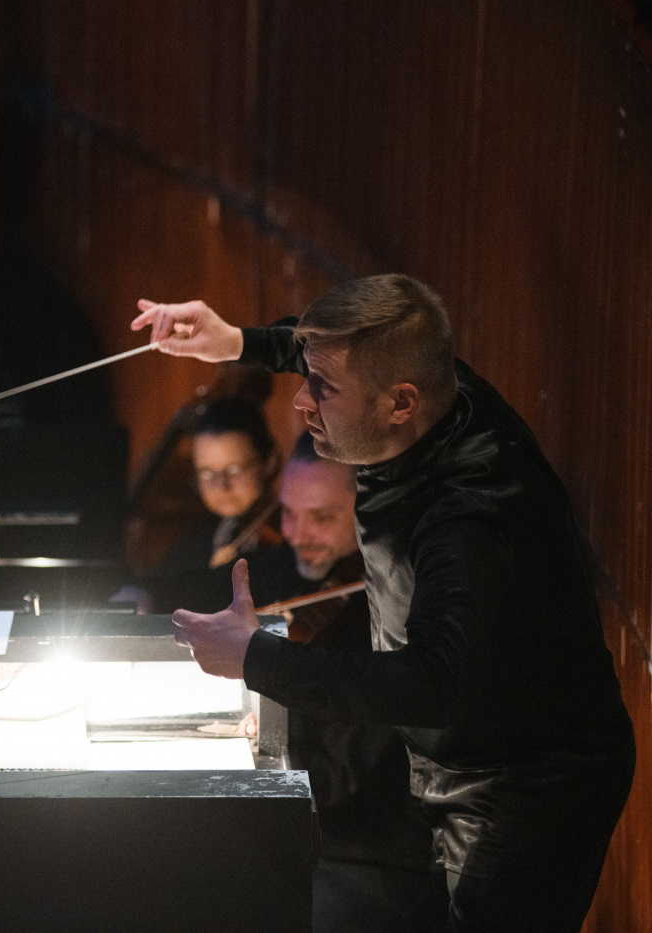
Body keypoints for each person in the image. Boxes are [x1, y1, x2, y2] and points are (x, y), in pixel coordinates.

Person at [135, 274, 635, 931]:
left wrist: (257, 658)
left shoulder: (469, 516)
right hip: (456, 761)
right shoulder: (427, 383)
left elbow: (429, 684)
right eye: (307, 377)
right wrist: (237, 342)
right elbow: (340, 350)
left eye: (324, 389)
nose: (300, 402)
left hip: (525, 786)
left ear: (400, 403)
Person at [274, 432, 432, 932]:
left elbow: (332, 782)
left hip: (373, 856)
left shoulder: (394, 618)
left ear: (371, 509)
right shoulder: (321, 591)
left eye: (322, 517)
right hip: (320, 837)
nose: (298, 534)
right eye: (288, 512)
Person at [129, 395, 298, 613]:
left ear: (269, 461)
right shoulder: (202, 541)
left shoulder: (289, 536)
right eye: (207, 473)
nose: (221, 486)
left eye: (234, 469)